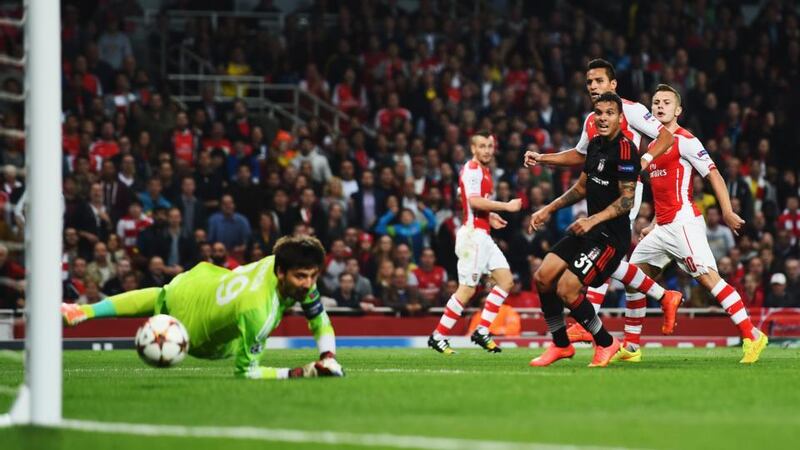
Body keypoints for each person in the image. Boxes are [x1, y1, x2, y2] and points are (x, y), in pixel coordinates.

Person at [524, 58, 676, 336]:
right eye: (590, 82)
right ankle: (663, 296)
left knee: (606, 246)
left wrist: (642, 161)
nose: (593, 86)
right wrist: (543, 158)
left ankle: (588, 323)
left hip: (623, 191)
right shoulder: (593, 119)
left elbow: (666, 137)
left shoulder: (631, 110)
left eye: (599, 81)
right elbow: (580, 155)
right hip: (598, 189)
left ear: (613, 84)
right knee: (607, 255)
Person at [616, 84, 767, 364]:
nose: (660, 106)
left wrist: (727, 211)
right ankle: (631, 347)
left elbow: (715, 175)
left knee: (710, 280)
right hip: (662, 227)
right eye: (656, 102)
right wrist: (652, 223)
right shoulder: (652, 144)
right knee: (633, 278)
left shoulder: (686, 140)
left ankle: (753, 336)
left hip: (684, 224)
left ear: (678, 110)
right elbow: (662, 191)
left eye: (666, 103)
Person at [62, 236, 343, 380]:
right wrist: (303, 371)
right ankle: (84, 312)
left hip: (197, 285)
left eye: (312, 276)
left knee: (162, 295)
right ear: (282, 273)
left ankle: (84, 311)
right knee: (235, 345)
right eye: (301, 277)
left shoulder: (280, 261)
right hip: (199, 338)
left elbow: (318, 316)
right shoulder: (260, 311)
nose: (308, 284)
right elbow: (247, 374)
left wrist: (327, 355)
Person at [428, 131, 522, 355]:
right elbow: (473, 200)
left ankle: (481, 330)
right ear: (473, 149)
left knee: (506, 281)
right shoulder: (472, 169)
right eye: (481, 146)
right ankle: (438, 336)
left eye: (489, 146)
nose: (486, 150)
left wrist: (489, 217)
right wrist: (506, 206)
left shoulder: (484, 171)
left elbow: (470, 203)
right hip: (473, 238)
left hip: (483, 236)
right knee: (467, 290)